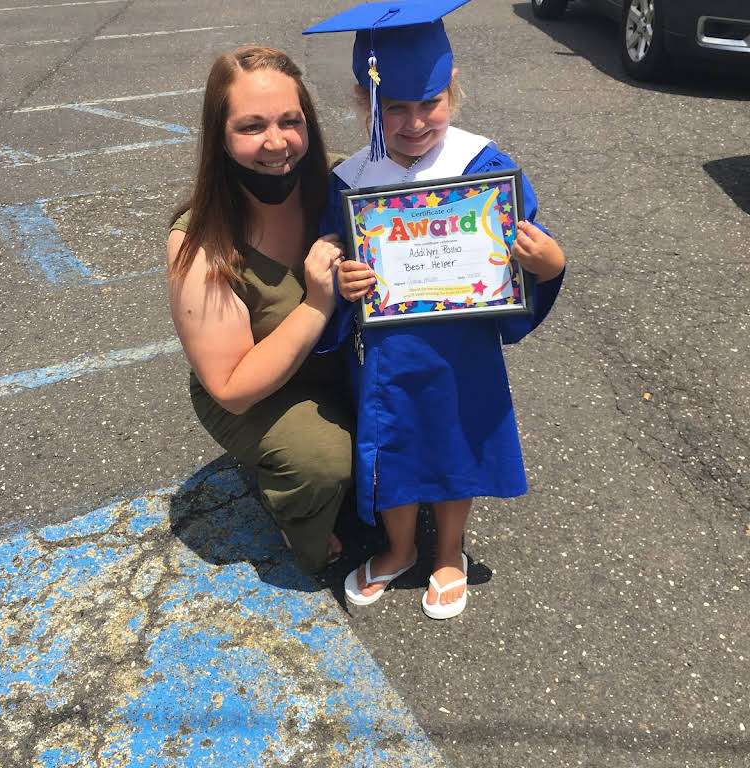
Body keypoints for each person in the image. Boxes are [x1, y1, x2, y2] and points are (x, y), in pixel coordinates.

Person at [304, 0, 566, 617]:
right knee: (389, 441)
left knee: (455, 442)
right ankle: (398, 549)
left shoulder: (485, 167)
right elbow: (334, 267)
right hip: (386, 351)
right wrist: (341, 281)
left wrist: (548, 265)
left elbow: (525, 249)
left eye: (431, 103)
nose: (415, 122)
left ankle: (449, 551)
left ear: (453, 94)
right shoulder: (350, 181)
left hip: (463, 346)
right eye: (394, 107)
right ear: (367, 107)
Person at [166, 46, 353, 574]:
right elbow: (233, 387)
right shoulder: (200, 240)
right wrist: (318, 302)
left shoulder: (346, 186)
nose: (277, 143)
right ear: (220, 139)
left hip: (341, 365)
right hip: (257, 391)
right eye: (251, 127)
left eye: (290, 121)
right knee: (321, 462)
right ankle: (294, 517)